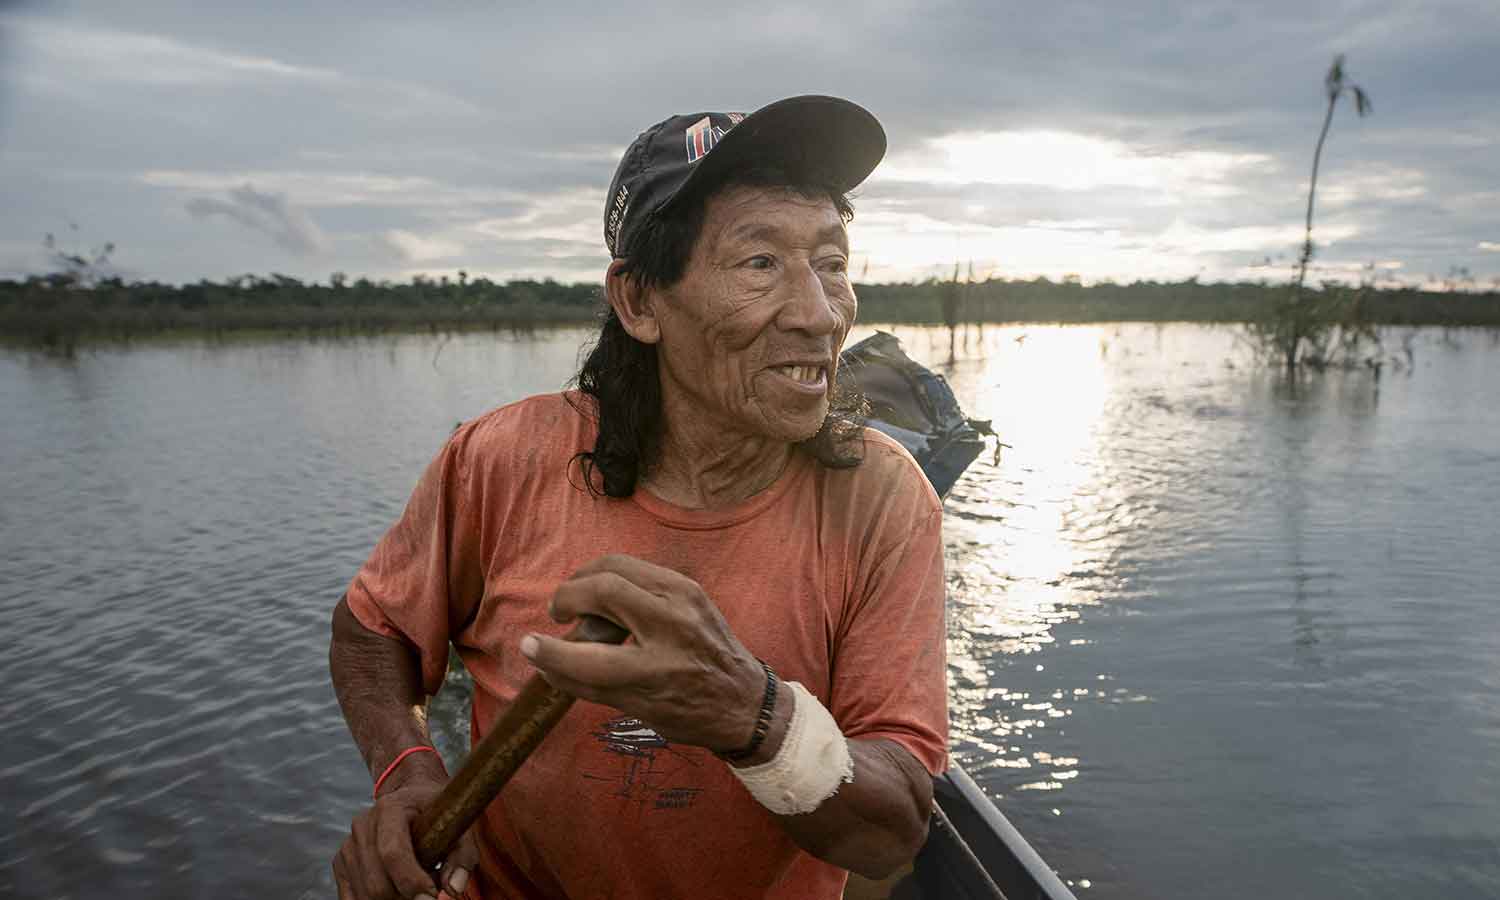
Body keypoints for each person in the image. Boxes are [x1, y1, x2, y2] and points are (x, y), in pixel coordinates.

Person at [329, 95, 949, 900]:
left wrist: (751, 716)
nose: (819, 313)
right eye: (760, 264)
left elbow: (892, 830)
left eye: (831, 263)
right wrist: (408, 771)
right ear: (641, 302)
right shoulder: (502, 459)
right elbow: (372, 628)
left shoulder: (883, 498)